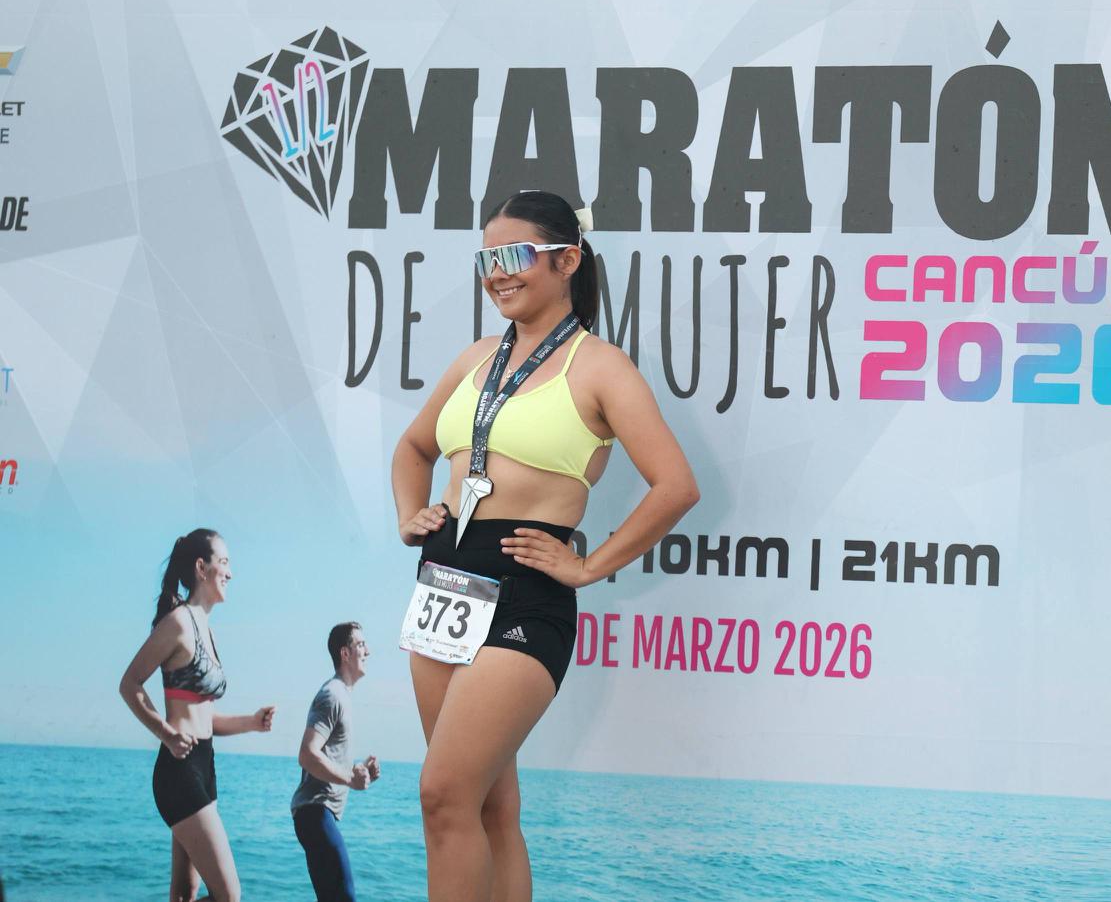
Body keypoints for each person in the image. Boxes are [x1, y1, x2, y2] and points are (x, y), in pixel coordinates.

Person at [391, 190, 700, 902]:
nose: (497, 273)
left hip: (526, 594)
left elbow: (676, 486)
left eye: (515, 255)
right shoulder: (476, 358)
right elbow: (413, 448)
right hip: (443, 586)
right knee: (489, 808)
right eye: (487, 259)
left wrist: (588, 567)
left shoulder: (601, 367)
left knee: (443, 795)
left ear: (567, 260)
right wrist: (411, 515)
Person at [119, 529, 276, 902]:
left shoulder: (207, 628)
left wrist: (251, 723)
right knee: (228, 895)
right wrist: (166, 733)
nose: (230, 573)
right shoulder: (178, 623)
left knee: (184, 893)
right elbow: (129, 683)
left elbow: (206, 719)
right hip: (179, 771)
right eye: (224, 562)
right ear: (201, 568)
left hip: (204, 766)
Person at [291, 622, 381, 902]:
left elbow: (327, 758)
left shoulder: (342, 695)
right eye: (361, 645)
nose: (368, 651)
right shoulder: (332, 695)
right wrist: (350, 779)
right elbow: (307, 754)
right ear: (345, 653)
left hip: (318, 814)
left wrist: (361, 773)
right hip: (315, 811)